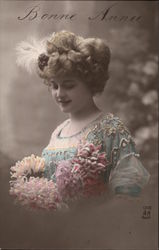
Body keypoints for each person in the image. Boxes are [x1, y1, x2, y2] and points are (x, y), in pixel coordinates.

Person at [16, 30, 150, 201]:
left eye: (69, 85)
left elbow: (128, 190)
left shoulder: (110, 129)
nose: (60, 94)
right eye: (54, 86)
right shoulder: (59, 131)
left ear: (90, 83)